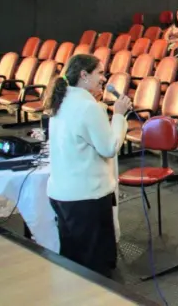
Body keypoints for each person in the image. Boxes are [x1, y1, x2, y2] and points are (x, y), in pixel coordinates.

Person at [46, 54, 132, 277]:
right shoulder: (88, 107)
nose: (104, 78)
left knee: (72, 262)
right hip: (86, 198)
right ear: (83, 75)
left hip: (62, 194)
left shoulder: (61, 100)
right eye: (100, 73)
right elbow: (109, 147)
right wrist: (119, 116)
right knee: (95, 268)